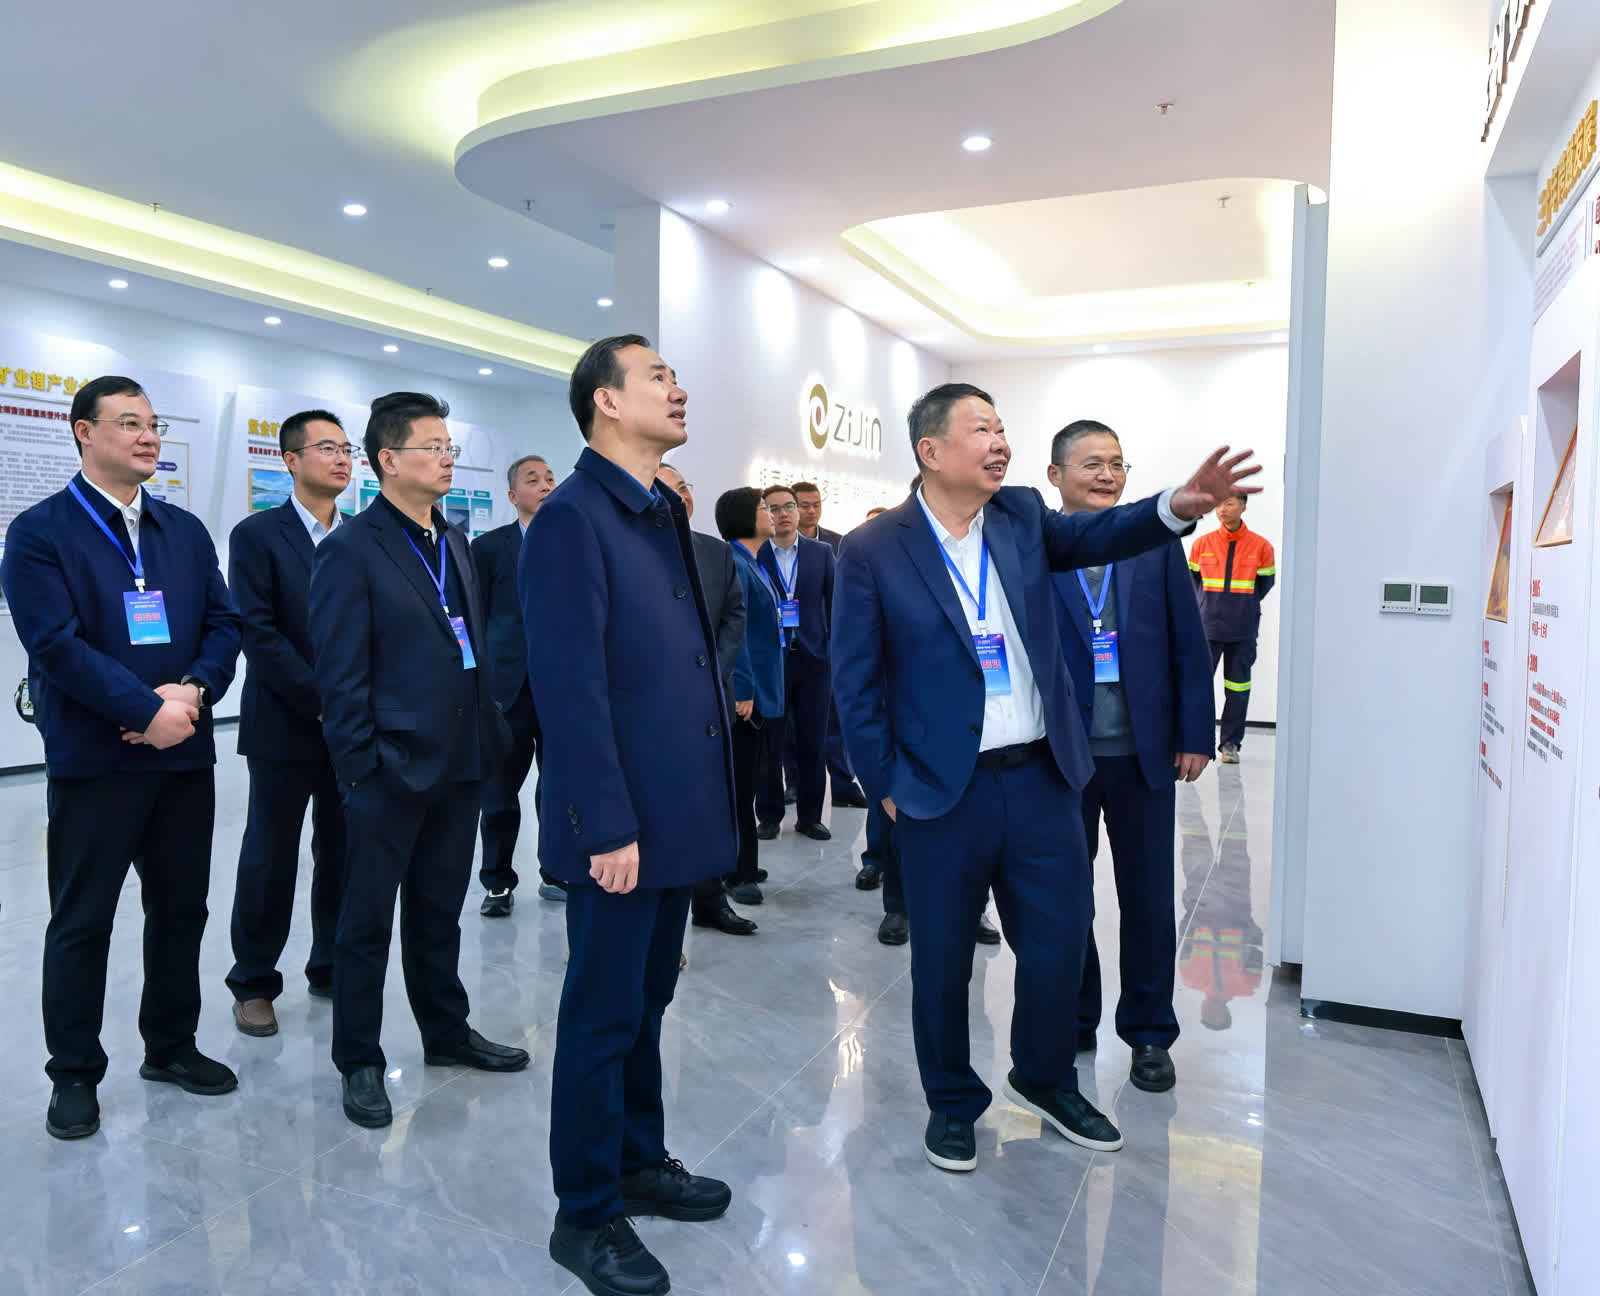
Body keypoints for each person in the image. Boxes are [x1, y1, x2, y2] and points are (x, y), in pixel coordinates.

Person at [831, 381, 1256, 1174]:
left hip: (1041, 778)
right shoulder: (874, 549)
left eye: (1002, 429)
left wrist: (1177, 505)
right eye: (982, 430)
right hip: (940, 790)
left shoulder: (1022, 516)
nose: (1000, 443)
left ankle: (1045, 1076)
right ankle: (952, 1101)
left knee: (1058, 943)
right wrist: (883, 783)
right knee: (943, 960)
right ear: (931, 451)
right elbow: (854, 682)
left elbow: (1105, 532)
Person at [522, 335, 736, 1296]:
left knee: (647, 1003)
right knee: (601, 1016)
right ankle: (585, 1212)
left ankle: (638, 1161)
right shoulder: (572, 519)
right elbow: (569, 688)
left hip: (672, 813)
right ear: (606, 401)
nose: (677, 389)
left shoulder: (656, 509)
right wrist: (605, 824)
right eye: (658, 377)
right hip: (622, 825)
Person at [1, 374, 242, 1140]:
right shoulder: (39, 532)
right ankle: (73, 1074)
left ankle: (170, 1046)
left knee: (181, 909)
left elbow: (224, 623)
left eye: (153, 424)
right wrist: (143, 711)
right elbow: (55, 644)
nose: (148, 436)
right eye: (129, 422)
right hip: (95, 761)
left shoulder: (184, 531)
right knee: (83, 921)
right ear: (84, 431)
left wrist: (192, 694)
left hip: (182, 758)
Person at [309, 391, 528, 1131]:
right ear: (388, 460)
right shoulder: (351, 549)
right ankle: (359, 1058)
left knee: (439, 912)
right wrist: (360, 770)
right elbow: (340, 676)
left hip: (461, 762)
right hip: (387, 770)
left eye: (448, 446)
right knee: (366, 921)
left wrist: (488, 740)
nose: (446, 458)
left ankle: (445, 1030)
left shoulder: (454, 540)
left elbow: (469, 647)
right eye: (431, 446)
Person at [1047, 419, 1214, 1095]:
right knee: (1066, 895)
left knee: (1146, 897)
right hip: (1061, 757)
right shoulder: (1037, 547)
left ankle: (1148, 1032)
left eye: (1117, 464)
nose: (1108, 475)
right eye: (1092, 463)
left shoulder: (1155, 545)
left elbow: (1187, 642)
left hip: (1143, 753)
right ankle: (1075, 1015)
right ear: (1055, 475)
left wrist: (1195, 732)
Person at [225, 409, 354, 1038]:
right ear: (291, 460)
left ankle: (330, 964)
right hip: (284, 722)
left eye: (346, 448)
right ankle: (253, 982)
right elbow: (257, 630)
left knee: (344, 850)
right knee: (270, 854)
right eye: (326, 447)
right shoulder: (258, 535)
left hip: (353, 726)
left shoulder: (361, 536)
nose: (341, 458)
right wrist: (320, 696)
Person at [657, 462, 755, 938]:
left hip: (713, 698)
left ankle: (711, 900)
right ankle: (665, 912)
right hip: (659, 708)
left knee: (712, 804)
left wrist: (713, 671)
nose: (681, 496)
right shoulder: (636, 552)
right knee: (666, 812)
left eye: (684, 487)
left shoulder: (716, 552)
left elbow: (735, 613)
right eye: (668, 488)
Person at [471, 453, 562, 916]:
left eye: (550, 478)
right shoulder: (488, 548)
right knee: (499, 792)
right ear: (512, 495)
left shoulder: (572, 544)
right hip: (505, 690)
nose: (545, 485)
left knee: (559, 789)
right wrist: (476, 681)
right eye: (533, 479)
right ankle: (497, 882)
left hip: (561, 688)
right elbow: (471, 616)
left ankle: (557, 872)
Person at [714, 486, 786, 908]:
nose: (771, 513)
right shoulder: (735, 561)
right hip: (747, 694)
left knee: (750, 781)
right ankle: (736, 873)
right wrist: (742, 688)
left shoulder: (752, 561)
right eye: (763, 508)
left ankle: (745, 860)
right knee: (740, 787)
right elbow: (733, 631)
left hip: (763, 687)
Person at [755, 484, 839, 840]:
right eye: (773, 508)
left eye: (789, 506)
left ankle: (810, 816)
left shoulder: (822, 553)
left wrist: (831, 649)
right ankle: (769, 815)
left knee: (812, 742)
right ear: (765, 513)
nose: (783, 513)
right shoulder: (756, 553)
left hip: (813, 662)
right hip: (771, 664)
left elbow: (836, 605)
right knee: (769, 744)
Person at [793, 480, 869, 813]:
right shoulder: (775, 544)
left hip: (828, 644)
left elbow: (846, 596)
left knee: (836, 719)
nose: (811, 511)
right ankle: (794, 783)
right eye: (804, 505)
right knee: (792, 725)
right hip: (787, 645)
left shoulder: (838, 543)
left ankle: (843, 785)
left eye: (816, 504)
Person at [1188, 493, 1276, 762]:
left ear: (1243, 507)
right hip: (1207, 627)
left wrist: (1243, 606)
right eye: (1218, 504)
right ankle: (1193, 741)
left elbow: (1265, 584)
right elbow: (1193, 582)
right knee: (1197, 686)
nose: (1222, 509)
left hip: (1243, 628)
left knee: (1237, 689)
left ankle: (1230, 744)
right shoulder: (1202, 544)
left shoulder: (1261, 547)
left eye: (1228, 503)